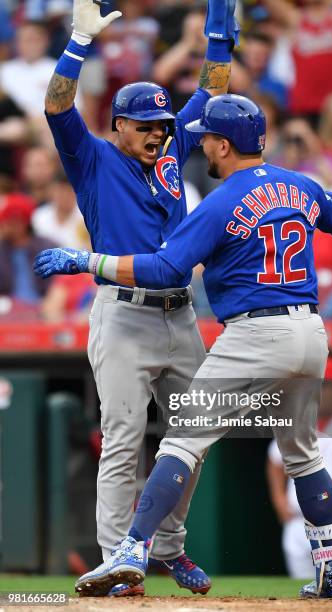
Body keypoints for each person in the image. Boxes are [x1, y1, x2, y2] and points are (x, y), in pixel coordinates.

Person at [35, 92, 332, 599]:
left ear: (226, 145)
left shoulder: (222, 202)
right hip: (311, 334)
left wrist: (89, 262)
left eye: (209, 136)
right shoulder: (301, 185)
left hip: (255, 335)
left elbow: (167, 268)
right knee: (304, 455)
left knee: (181, 441)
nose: (199, 143)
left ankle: (133, 547)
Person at [40, 0, 239, 598]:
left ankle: (168, 546)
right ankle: (115, 560)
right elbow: (57, 105)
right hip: (122, 312)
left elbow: (213, 87)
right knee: (123, 437)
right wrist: (77, 44)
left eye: (165, 125)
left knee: (195, 433)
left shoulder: (173, 153)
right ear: (120, 125)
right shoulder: (93, 156)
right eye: (147, 125)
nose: (159, 133)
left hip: (180, 314)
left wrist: (219, 33)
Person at [267, 356, 332, 579]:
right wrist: (280, 502)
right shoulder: (297, 420)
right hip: (298, 522)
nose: (321, 392)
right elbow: (274, 460)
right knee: (303, 595)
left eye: (327, 385)